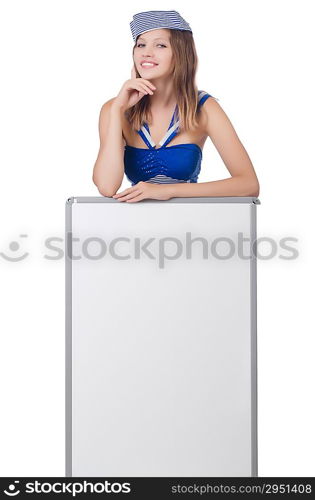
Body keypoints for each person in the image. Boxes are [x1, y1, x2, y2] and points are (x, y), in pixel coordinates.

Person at [92, 10, 260, 202]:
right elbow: (107, 186)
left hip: (189, 224)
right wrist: (117, 111)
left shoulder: (204, 108)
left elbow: (248, 184)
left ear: (181, 54)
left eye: (160, 45)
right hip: (135, 227)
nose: (146, 53)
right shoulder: (114, 109)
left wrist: (168, 190)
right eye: (141, 45)